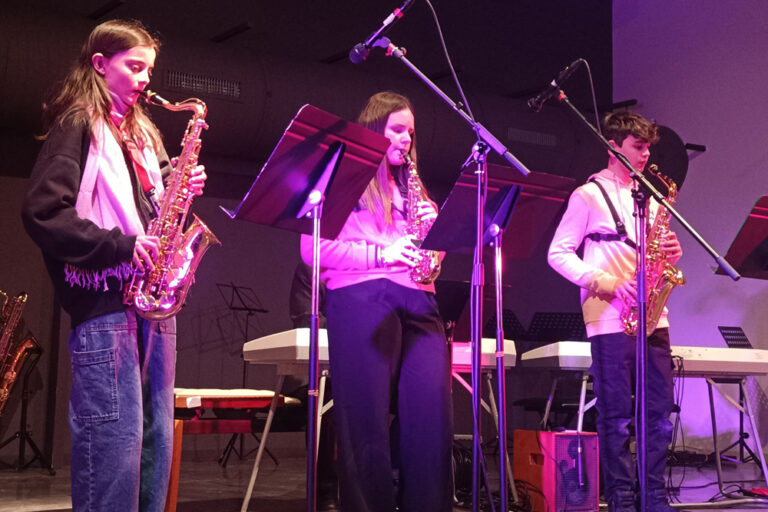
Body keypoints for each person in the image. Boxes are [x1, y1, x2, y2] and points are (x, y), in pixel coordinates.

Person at [21, 19, 207, 512]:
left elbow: (152, 218)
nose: (146, 78)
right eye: (135, 67)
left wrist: (177, 191)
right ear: (101, 65)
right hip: (106, 305)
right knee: (113, 455)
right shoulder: (77, 122)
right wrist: (121, 247)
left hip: (152, 306)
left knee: (152, 450)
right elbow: (43, 212)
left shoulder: (144, 136)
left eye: (150, 69)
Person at [300, 91, 453, 512]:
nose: (405, 139)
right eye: (396, 130)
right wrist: (381, 253)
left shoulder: (414, 188)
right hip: (361, 296)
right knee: (365, 421)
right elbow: (313, 251)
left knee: (430, 418)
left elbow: (434, 252)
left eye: (410, 132)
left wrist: (435, 249)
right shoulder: (342, 178)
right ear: (373, 130)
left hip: (420, 300)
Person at [547, 111, 682, 512]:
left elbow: (657, 253)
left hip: (653, 317)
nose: (644, 156)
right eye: (637, 147)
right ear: (613, 147)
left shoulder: (651, 199)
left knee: (658, 415)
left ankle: (653, 496)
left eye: (647, 148)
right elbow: (557, 254)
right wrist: (608, 282)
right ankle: (622, 497)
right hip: (609, 315)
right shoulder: (587, 195)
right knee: (617, 416)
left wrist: (672, 253)